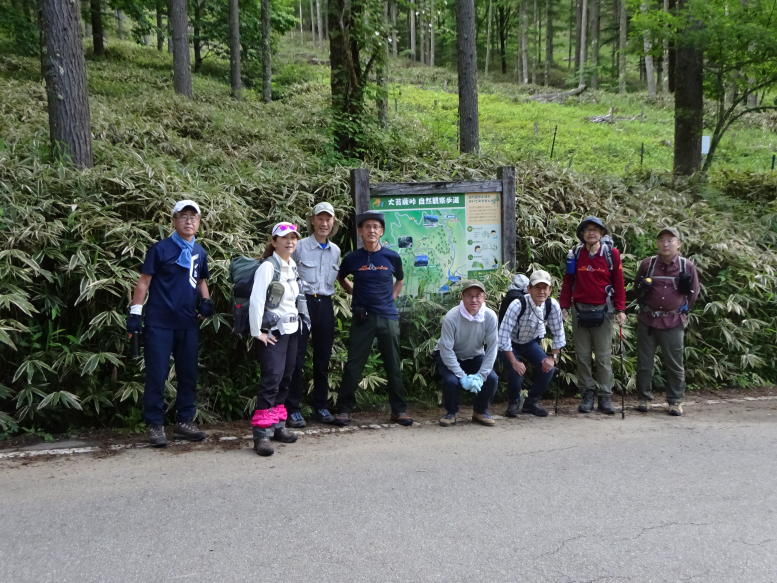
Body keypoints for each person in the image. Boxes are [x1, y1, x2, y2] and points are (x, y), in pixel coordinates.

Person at [127, 200, 213, 447]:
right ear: (174, 220)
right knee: (157, 374)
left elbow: (201, 279)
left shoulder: (199, 251)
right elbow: (144, 281)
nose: (189, 221)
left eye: (193, 217)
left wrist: (206, 301)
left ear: (198, 222)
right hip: (159, 322)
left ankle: (185, 421)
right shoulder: (160, 249)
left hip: (187, 322)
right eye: (183, 216)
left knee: (188, 374)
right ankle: (155, 424)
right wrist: (135, 313)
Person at [335, 211, 412, 426]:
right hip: (363, 317)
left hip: (388, 316)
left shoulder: (391, 257)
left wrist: (392, 297)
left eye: (375, 227)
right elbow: (341, 278)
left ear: (382, 231)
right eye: (367, 227)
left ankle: (399, 410)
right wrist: (354, 293)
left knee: (393, 364)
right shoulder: (352, 258)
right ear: (360, 231)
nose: (371, 230)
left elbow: (400, 279)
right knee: (353, 365)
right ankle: (344, 410)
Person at [559, 216, 626, 415]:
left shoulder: (611, 254)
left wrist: (620, 309)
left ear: (602, 233)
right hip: (579, 310)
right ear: (582, 234)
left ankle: (605, 396)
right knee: (582, 356)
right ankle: (587, 394)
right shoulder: (575, 254)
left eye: (595, 229)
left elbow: (619, 283)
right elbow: (567, 282)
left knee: (604, 356)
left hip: (604, 311)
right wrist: (563, 306)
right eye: (587, 229)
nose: (591, 232)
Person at [248, 222, 304, 457]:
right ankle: (262, 434)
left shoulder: (292, 265)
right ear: (273, 242)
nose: (290, 241)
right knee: (271, 378)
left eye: (293, 237)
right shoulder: (268, 267)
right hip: (273, 332)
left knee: (286, 378)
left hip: (292, 330)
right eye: (284, 238)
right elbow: (256, 301)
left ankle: (278, 425)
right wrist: (256, 332)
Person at [285, 202, 341, 428]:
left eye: (328, 219)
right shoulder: (299, 246)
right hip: (301, 303)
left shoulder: (336, 250)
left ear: (333, 223)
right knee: (296, 358)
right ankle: (293, 408)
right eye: (320, 218)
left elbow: (339, 278)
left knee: (323, 359)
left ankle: (321, 406)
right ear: (312, 220)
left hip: (325, 304)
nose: (324, 223)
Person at [634, 227, 700, 416]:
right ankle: (643, 399)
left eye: (670, 240)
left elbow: (694, 293)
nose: (665, 243)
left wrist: (681, 310)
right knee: (644, 363)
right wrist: (642, 289)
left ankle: (675, 401)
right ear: (657, 243)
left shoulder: (686, 266)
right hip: (648, 320)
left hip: (673, 321)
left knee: (674, 363)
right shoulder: (648, 264)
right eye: (662, 240)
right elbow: (637, 290)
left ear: (679, 244)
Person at [499, 270, 566, 417]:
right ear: (529, 289)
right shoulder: (518, 304)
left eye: (545, 288)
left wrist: (552, 358)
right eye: (537, 287)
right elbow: (503, 336)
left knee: (548, 369)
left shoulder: (552, 305)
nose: (541, 291)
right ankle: (513, 403)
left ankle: (531, 403)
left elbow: (558, 333)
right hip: (511, 342)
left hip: (530, 342)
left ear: (550, 290)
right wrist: (514, 361)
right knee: (515, 371)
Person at [434, 280, 499, 427]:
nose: (474, 300)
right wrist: (462, 376)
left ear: (484, 298)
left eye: (478, 296)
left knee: (492, 378)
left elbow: (492, 347)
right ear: (462, 297)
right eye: (469, 296)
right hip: (449, 355)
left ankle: (480, 412)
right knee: (452, 381)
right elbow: (446, 349)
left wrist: (482, 375)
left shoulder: (490, 316)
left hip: (475, 354)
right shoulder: (451, 316)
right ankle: (451, 413)